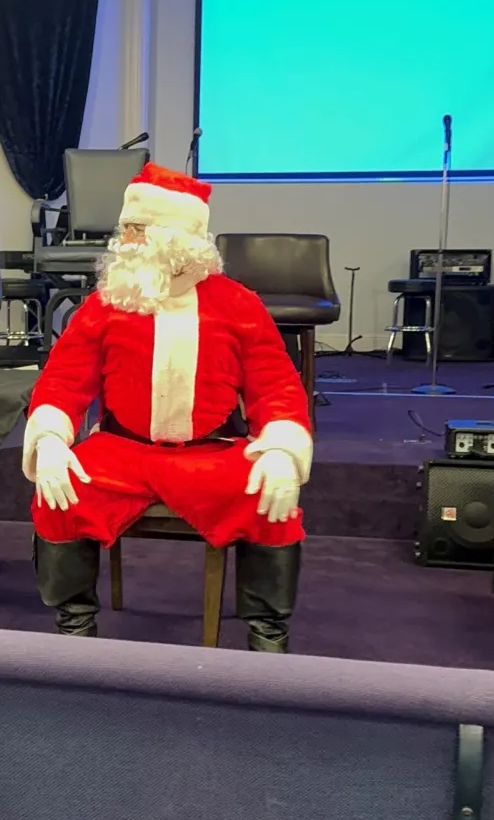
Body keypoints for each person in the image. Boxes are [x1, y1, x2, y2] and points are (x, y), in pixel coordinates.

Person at [22, 162, 312, 652]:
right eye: (126, 230)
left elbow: (276, 385)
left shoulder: (238, 305)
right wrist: (49, 438)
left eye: (138, 230)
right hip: (122, 449)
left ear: (178, 239)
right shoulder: (107, 302)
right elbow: (65, 380)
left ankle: (268, 638)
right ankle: (73, 632)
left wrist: (282, 449)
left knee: (271, 499)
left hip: (211, 451)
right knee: (61, 487)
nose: (125, 241)